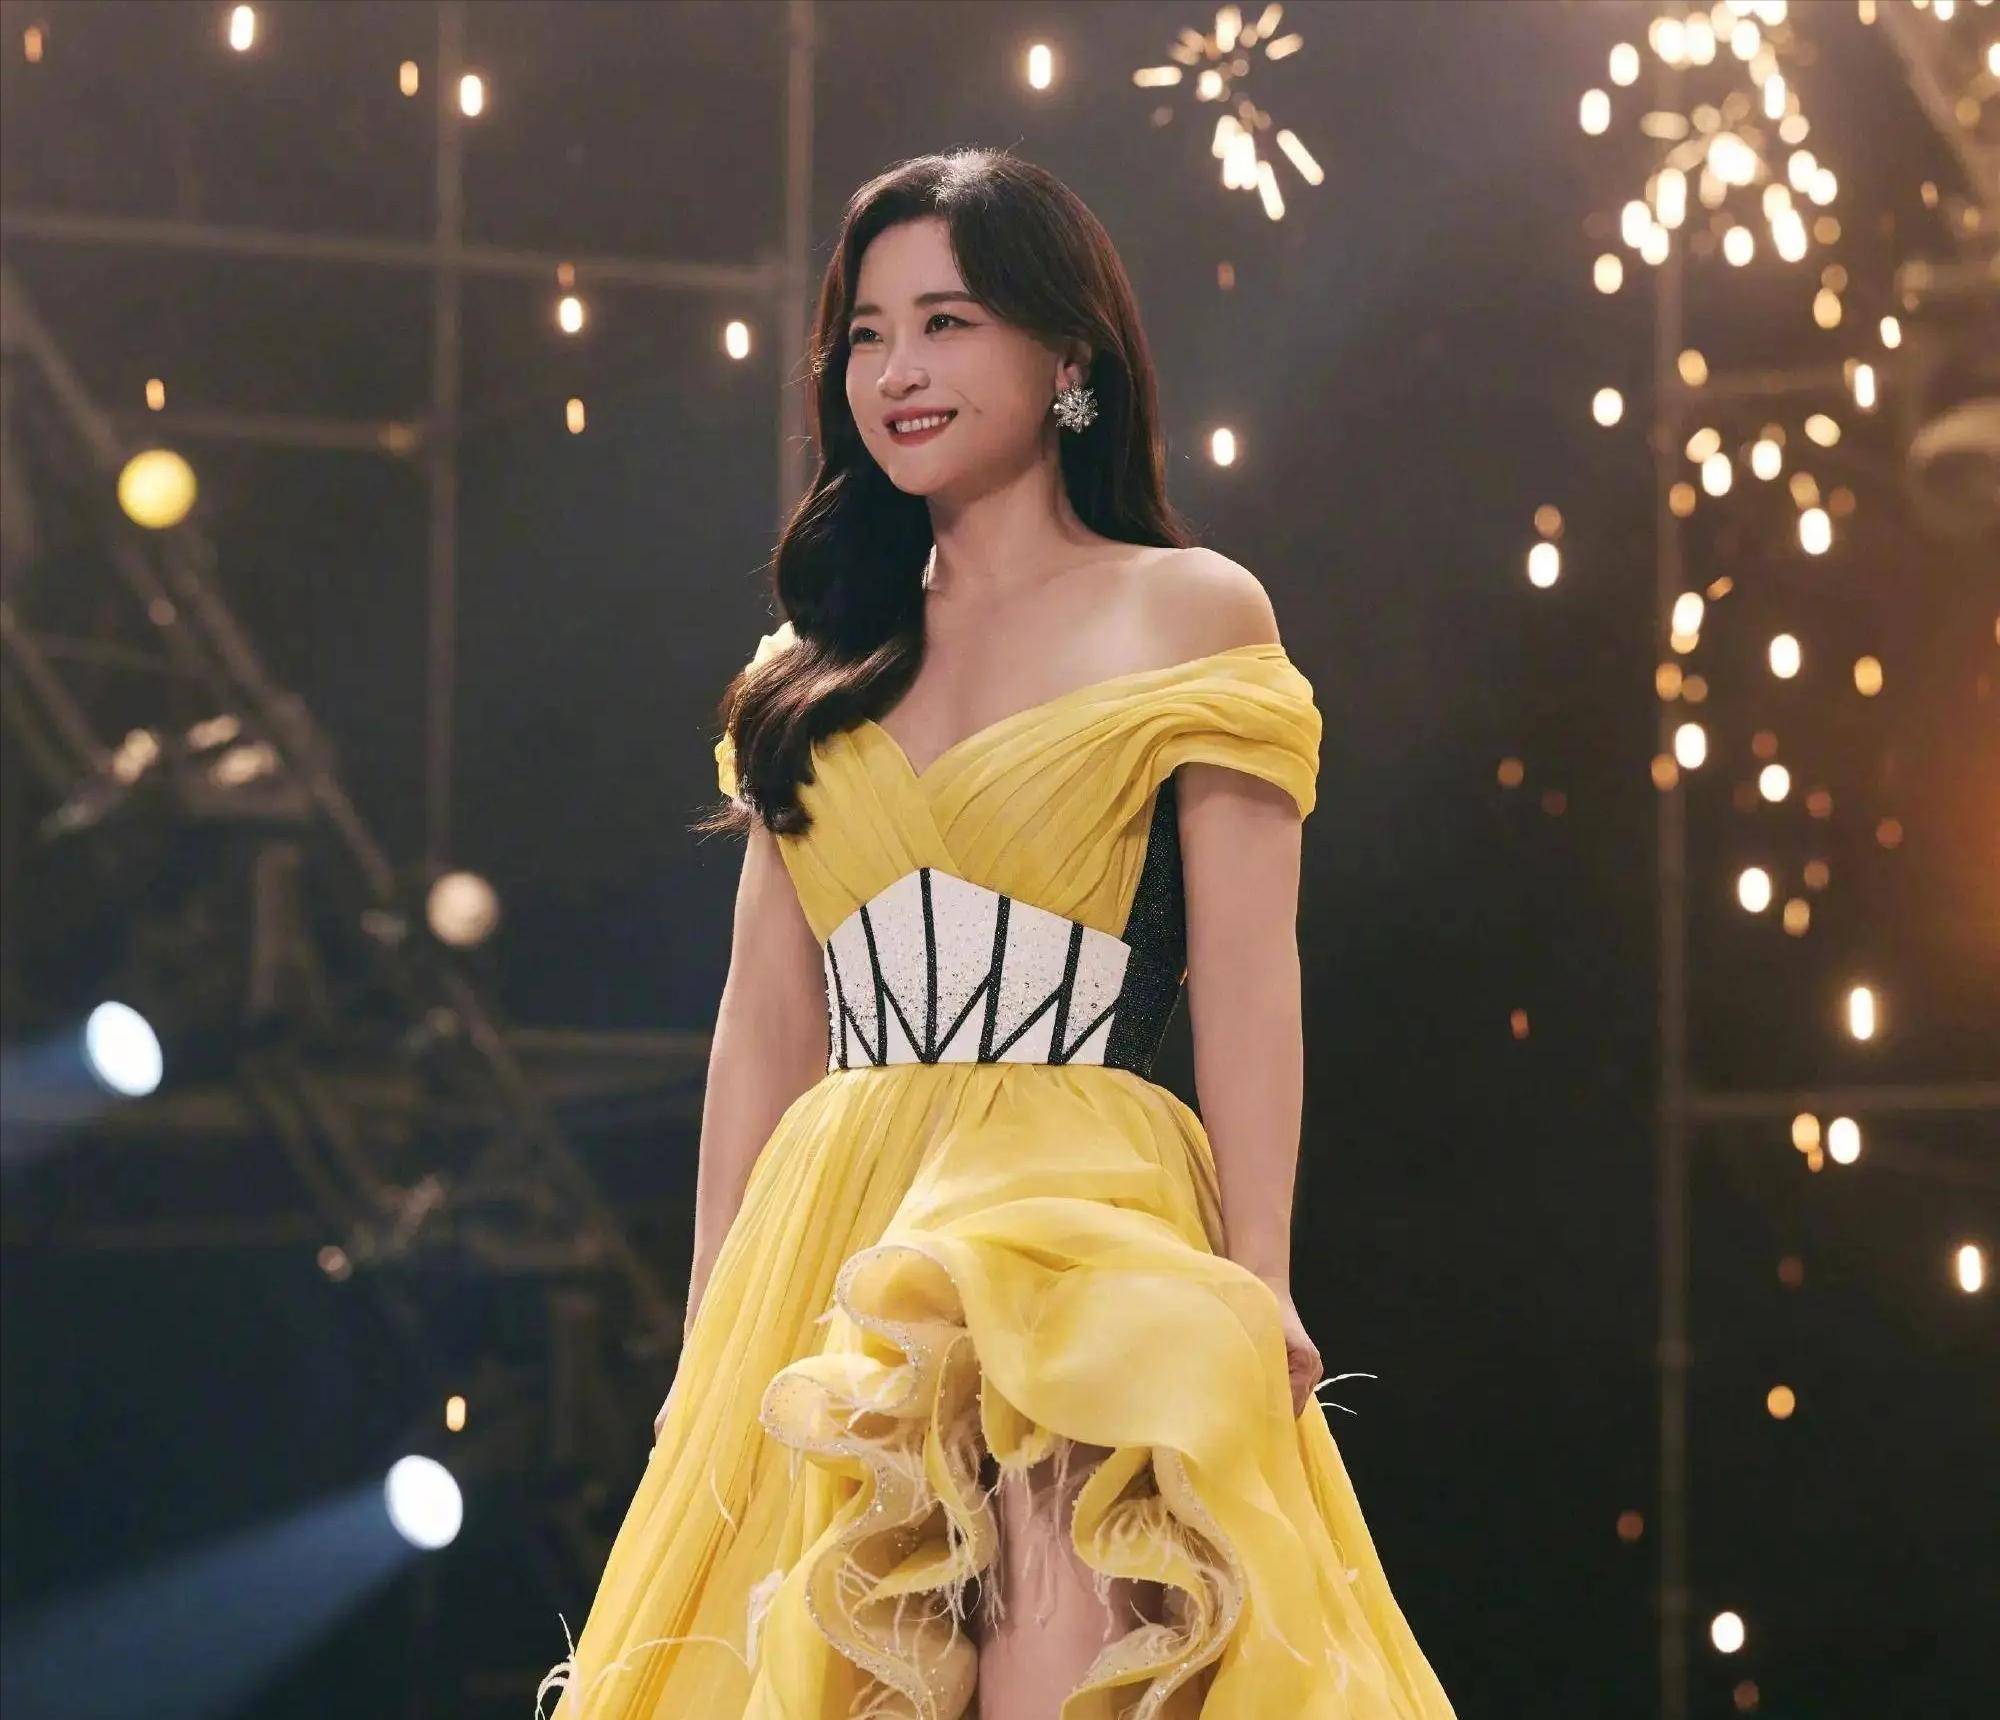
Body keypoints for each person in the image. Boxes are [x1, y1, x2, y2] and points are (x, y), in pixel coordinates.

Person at [538, 148, 1454, 1720]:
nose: (896, 370)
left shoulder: (1191, 609)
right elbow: (767, 1018)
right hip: (838, 1226)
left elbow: (1250, 972)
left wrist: (1261, 1273)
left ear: (1069, 356)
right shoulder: (810, 665)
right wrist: (711, 1332)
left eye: (946, 322)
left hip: (1078, 1206)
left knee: (1071, 1654)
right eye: (867, 334)